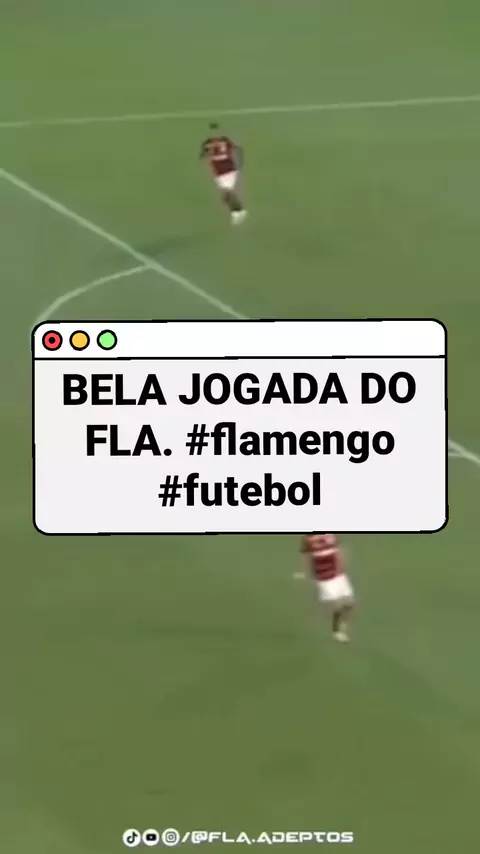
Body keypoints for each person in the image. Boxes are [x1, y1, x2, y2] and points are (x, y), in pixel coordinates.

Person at [301, 534, 354, 643]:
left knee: (349, 603)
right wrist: (307, 574)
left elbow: (339, 550)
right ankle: (336, 630)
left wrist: (343, 567)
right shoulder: (309, 540)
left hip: (338, 574)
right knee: (337, 605)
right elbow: (306, 556)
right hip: (324, 577)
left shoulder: (331, 536)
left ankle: (342, 624)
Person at [200, 123, 247, 224]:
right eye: (212, 132)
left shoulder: (223, 141)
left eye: (215, 131)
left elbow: (237, 149)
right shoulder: (208, 143)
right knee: (225, 196)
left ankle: (238, 211)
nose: (214, 134)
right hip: (218, 172)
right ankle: (237, 211)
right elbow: (203, 155)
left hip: (228, 170)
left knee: (227, 194)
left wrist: (240, 163)